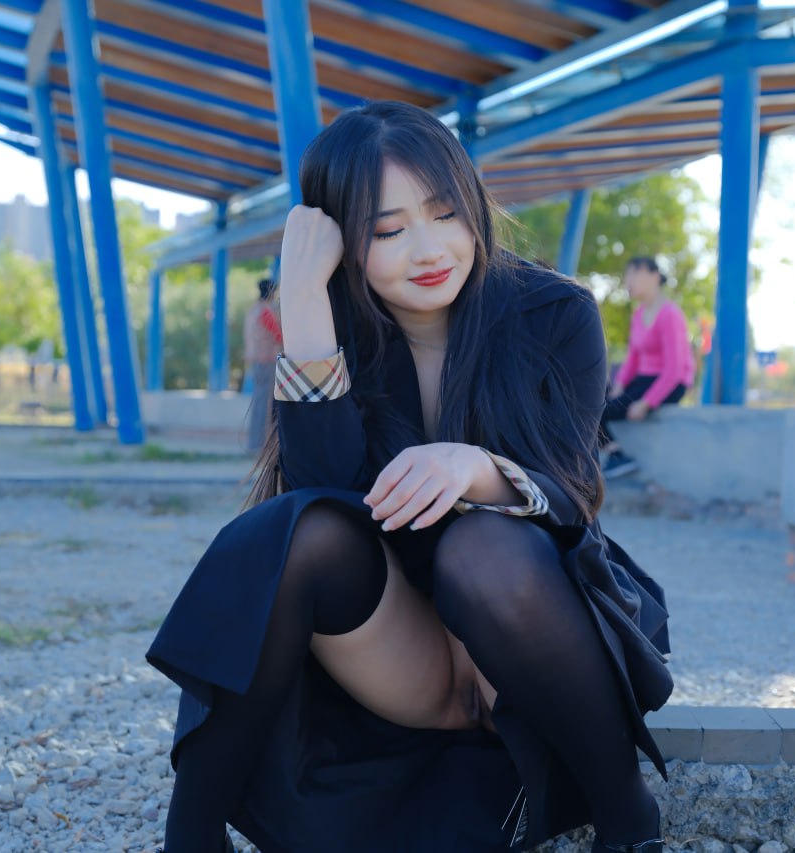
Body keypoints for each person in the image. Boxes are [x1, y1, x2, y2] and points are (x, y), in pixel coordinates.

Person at [147, 101, 673, 853]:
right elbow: (324, 495)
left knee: (480, 548)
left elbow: (573, 492)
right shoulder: (334, 329)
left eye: (445, 214)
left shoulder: (554, 313)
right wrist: (303, 300)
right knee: (289, 531)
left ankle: (627, 818)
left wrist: (478, 469)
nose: (428, 249)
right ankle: (192, 833)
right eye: (387, 230)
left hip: (530, 632)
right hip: (399, 656)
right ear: (339, 238)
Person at [598, 257, 695, 479]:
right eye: (627, 275)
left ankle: (617, 455)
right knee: (591, 396)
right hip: (643, 378)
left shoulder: (670, 314)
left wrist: (646, 402)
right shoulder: (639, 314)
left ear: (654, 276)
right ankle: (613, 453)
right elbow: (633, 358)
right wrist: (619, 385)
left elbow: (675, 370)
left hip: (670, 383)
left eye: (633, 273)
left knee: (600, 410)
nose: (628, 281)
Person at [244, 277, 283, 452]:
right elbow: (278, 335)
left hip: (255, 360)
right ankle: (259, 443)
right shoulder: (266, 311)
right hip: (267, 360)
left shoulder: (253, 310)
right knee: (264, 403)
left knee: (258, 401)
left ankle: (255, 442)